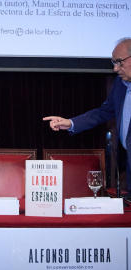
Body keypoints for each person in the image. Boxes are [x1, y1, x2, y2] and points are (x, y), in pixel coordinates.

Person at [43, 37, 131, 197]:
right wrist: (70, 123)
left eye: (119, 62)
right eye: (113, 63)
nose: (115, 69)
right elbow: (103, 112)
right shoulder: (120, 84)